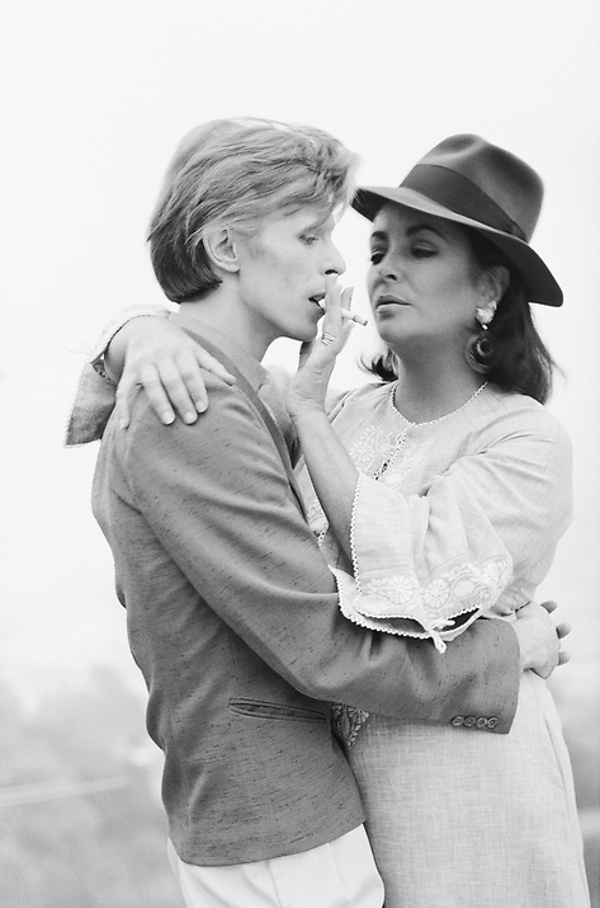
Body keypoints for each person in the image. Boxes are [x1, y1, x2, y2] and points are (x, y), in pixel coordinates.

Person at [67, 120, 567, 908]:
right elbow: (318, 638)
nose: (359, 268)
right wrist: (138, 334)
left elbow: (410, 575)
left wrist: (151, 336)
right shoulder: (287, 410)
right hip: (311, 805)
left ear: (490, 290)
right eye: (364, 247)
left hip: (465, 775)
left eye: (421, 250)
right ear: (230, 250)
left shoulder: (516, 435)